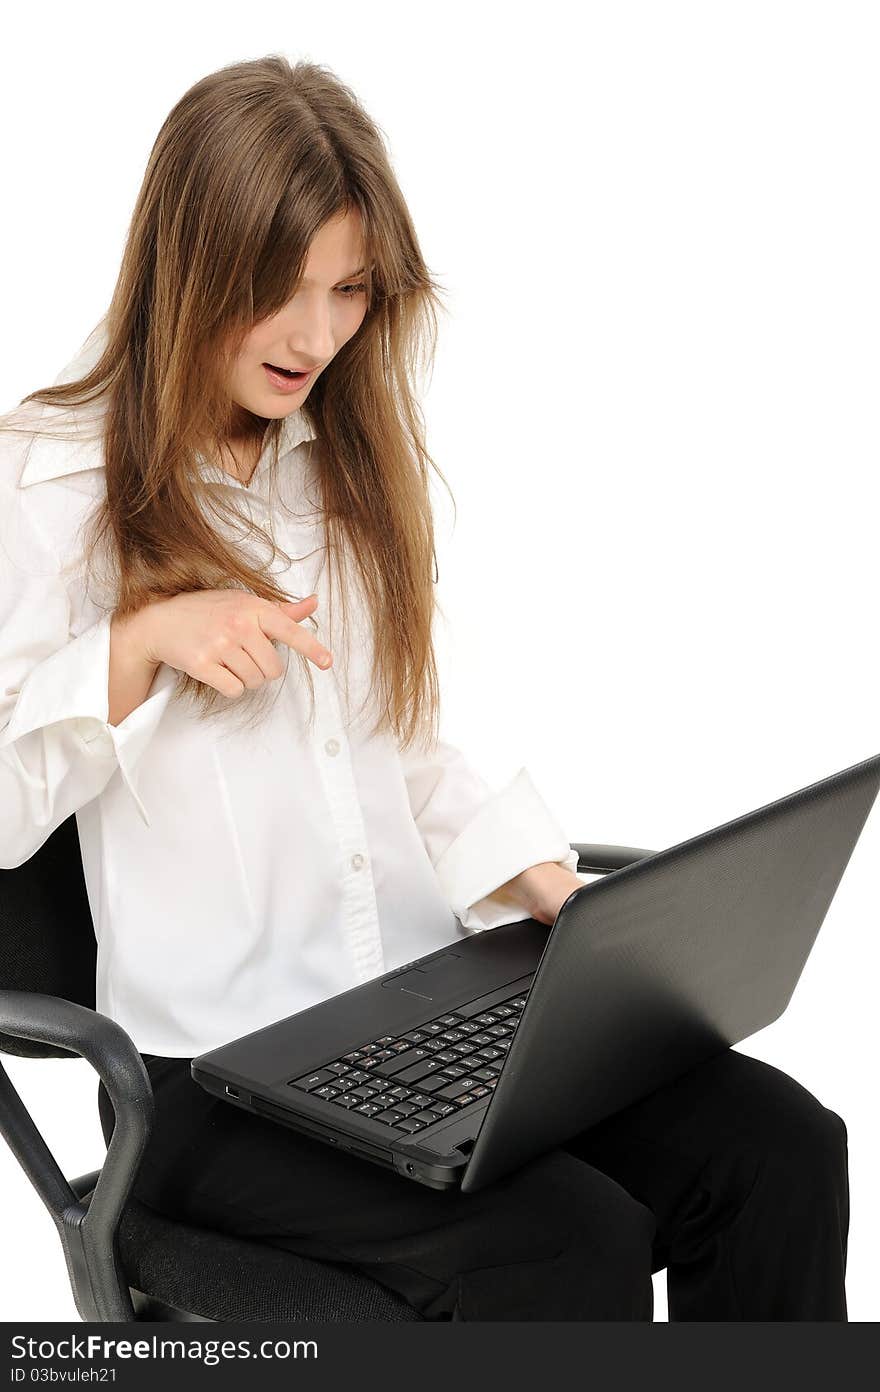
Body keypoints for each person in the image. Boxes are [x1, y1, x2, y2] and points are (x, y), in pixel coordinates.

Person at [0, 55, 849, 1322]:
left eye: (347, 291)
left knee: (779, 1149)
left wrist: (547, 888)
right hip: (218, 1082)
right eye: (278, 292)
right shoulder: (53, 479)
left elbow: (404, 754)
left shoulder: (334, 465)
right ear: (193, 270)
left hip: (411, 1012)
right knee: (571, 1247)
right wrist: (134, 648)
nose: (316, 336)